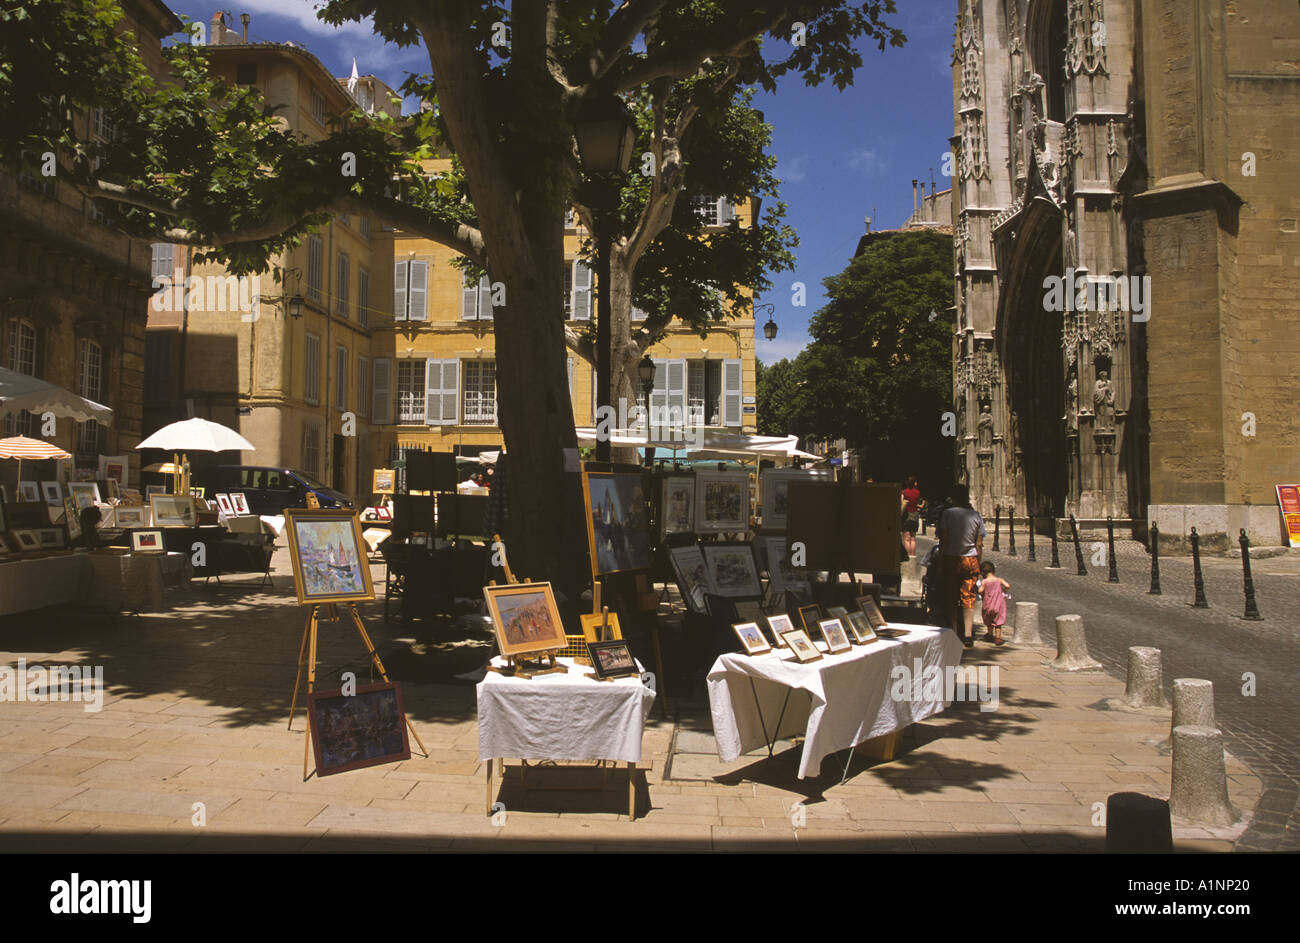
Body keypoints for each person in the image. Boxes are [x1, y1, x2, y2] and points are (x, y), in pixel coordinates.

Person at [935, 483, 985, 647]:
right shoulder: (976, 515)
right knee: (969, 596)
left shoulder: (947, 514)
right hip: (970, 559)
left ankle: (953, 631)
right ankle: (968, 634)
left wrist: (940, 563)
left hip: (951, 558)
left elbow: (944, 540)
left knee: (950, 594)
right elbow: (979, 544)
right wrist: (978, 562)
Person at [978, 560, 1010, 646]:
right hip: (999, 604)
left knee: (989, 619)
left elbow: (980, 591)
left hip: (988, 604)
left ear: (982, 573)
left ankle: (990, 634)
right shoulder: (999, 580)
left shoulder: (985, 582)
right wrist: (1003, 590)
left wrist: (981, 592)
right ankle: (998, 638)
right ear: (993, 571)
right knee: (998, 621)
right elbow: (1007, 585)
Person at [900, 476, 921, 555]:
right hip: (915, 515)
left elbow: (902, 503)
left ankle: (908, 556)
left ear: (906, 483)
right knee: (913, 538)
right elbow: (917, 502)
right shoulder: (917, 492)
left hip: (907, 516)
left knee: (906, 538)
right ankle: (913, 556)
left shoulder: (904, 492)